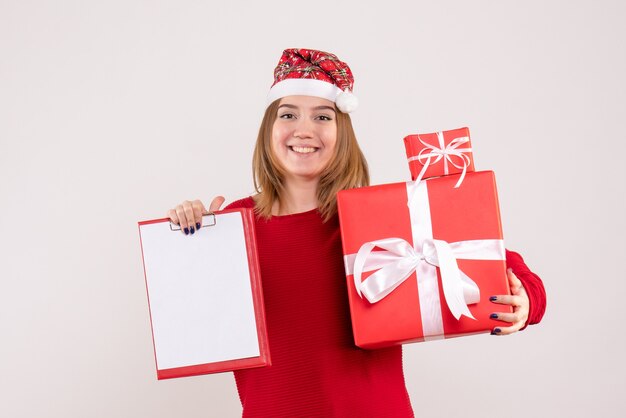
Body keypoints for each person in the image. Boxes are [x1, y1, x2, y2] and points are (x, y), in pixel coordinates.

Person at [167, 48, 547, 417]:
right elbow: (193, 319)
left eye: (322, 117)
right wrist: (195, 240)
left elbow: (492, 258)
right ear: (269, 129)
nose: (303, 130)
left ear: (342, 132)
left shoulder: (379, 217)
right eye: (288, 114)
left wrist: (527, 298)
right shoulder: (236, 224)